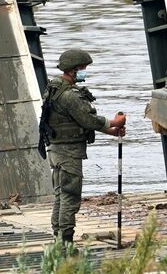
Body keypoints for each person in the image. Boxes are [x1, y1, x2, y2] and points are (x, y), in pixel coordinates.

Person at [44, 48, 126, 246]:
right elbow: (88, 120)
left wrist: (111, 131)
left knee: (60, 195)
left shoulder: (55, 87)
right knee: (70, 196)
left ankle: (59, 238)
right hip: (68, 153)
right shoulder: (69, 95)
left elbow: (78, 122)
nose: (85, 72)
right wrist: (115, 122)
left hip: (56, 150)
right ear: (73, 70)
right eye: (83, 68)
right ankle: (65, 242)